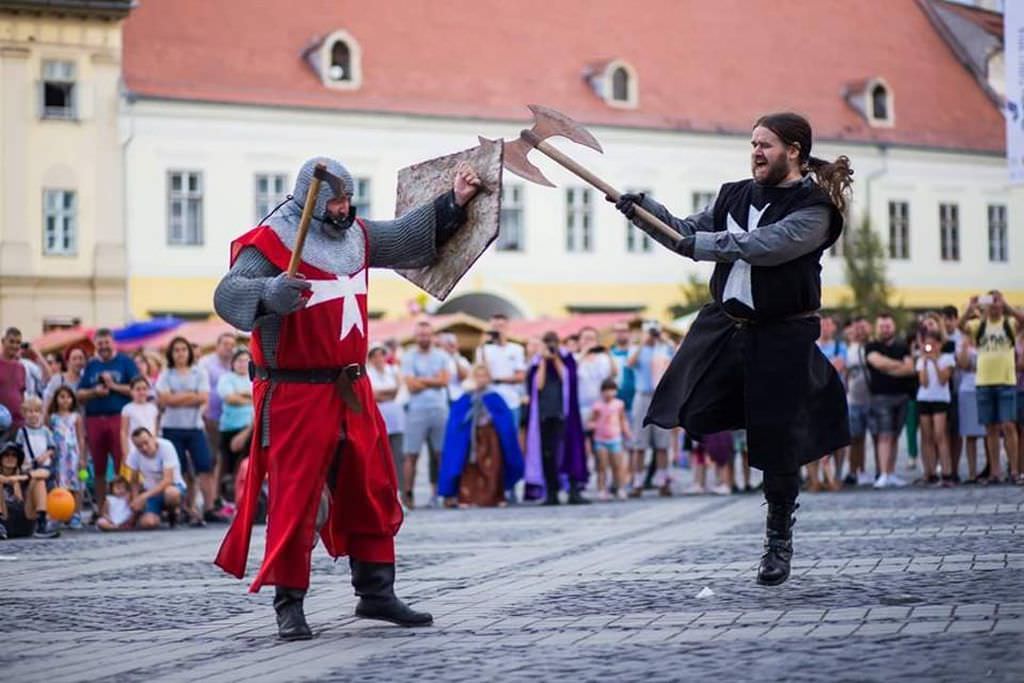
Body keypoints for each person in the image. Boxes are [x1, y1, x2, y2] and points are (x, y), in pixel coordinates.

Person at [213, 156, 480, 639]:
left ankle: (376, 591)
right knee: (296, 500)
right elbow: (228, 294)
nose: (344, 208)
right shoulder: (273, 241)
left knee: (372, 485)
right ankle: (288, 603)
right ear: (310, 202)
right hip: (295, 391)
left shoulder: (356, 233)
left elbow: (404, 236)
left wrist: (454, 201)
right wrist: (271, 291)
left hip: (351, 388)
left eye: (348, 198)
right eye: (335, 200)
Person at [610, 111, 851, 586]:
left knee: (776, 443)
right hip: (726, 325)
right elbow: (683, 231)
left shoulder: (815, 209)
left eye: (766, 145)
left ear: (794, 151)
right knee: (689, 402)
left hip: (782, 333)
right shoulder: (733, 194)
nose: (756, 152)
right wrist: (644, 212)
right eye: (753, 143)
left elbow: (764, 244)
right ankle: (743, 420)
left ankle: (778, 538)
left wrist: (694, 243)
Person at [438, 364, 524, 507]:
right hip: (471, 439)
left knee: (493, 466)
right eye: (478, 376)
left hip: (491, 437)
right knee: (470, 467)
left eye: (484, 376)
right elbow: (457, 421)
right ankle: (467, 497)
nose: (481, 379)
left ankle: (495, 497)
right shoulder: (466, 397)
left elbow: (504, 421)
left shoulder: (494, 397)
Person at [960, 292, 1022, 484]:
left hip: (1006, 380)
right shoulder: (979, 325)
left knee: (1009, 425)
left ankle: (1015, 471)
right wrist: (970, 308)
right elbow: (960, 327)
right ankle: (995, 472)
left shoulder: (1009, 324)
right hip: (984, 381)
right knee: (990, 428)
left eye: (997, 302)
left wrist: (1007, 304)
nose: (994, 305)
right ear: (985, 306)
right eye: (991, 302)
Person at [524, 331, 588, 505]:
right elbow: (538, 385)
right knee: (548, 454)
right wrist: (545, 360)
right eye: (547, 342)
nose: (551, 345)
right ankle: (551, 491)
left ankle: (574, 490)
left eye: (553, 342)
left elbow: (567, 378)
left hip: (565, 414)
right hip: (545, 414)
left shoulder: (567, 360)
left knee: (570, 451)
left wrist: (556, 359)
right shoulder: (537, 363)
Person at [77, 328, 137, 515]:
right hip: (95, 419)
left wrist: (113, 386)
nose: (103, 347)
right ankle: (102, 508)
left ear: (113, 343)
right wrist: (95, 392)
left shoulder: (125, 362)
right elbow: (79, 394)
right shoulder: (92, 365)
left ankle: (124, 507)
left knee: (122, 464)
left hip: (118, 418)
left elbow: (137, 388)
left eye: (106, 343)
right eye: (100, 343)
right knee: (99, 467)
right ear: (96, 345)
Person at [156, 336, 214, 525]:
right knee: (179, 471)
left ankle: (209, 508)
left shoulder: (199, 372)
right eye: (176, 350)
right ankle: (184, 508)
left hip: (194, 427)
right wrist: (191, 395)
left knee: (205, 466)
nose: (180, 353)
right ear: (171, 354)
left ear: (189, 351)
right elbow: (165, 400)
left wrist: (177, 397)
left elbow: (203, 397)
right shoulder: (166, 374)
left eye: (183, 349)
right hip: (172, 427)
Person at [400, 320, 450, 509]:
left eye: (427, 334)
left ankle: (443, 493)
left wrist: (422, 380)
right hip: (416, 410)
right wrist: (433, 380)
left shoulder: (442, 355)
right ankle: (408, 496)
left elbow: (445, 381)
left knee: (441, 453)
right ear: (416, 336)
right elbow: (411, 385)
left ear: (433, 336)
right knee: (410, 454)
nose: (424, 338)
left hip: (439, 408)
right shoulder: (408, 356)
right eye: (421, 335)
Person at [865, 313, 916, 489]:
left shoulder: (903, 346)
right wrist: (898, 365)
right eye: (882, 326)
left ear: (893, 327)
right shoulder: (871, 346)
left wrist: (889, 367)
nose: (885, 329)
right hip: (880, 398)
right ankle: (883, 475)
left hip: (902, 396)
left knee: (895, 436)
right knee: (884, 436)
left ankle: (892, 473)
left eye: (888, 326)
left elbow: (910, 369)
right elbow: (877, 363)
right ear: (876, 328)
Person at [626, 321, 674, 497]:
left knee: (663, 443)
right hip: (643, 396)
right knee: (639, 443)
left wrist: (664, 340)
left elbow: (678, 358)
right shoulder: (637, 349)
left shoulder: (664, 348)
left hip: (661, 397)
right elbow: (630, 364)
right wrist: (642, 343)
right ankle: (637, 482)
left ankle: (662, 481)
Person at [808, 315, 846, 491]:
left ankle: (836, 476)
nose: (824, 327)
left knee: (838, 439)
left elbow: (837, 367)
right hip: (813, 399)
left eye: (828, 324)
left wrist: (819, 369)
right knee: (812, 439)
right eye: (822, 323)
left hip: (834, 398)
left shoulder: (841, 347)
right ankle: (814, 479)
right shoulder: (810, 346)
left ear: (834, 328)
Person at [915, 328, 955, 486]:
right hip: (924, 398)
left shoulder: (947, 359)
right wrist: (925, 362)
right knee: (926, 437)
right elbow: (923, 382)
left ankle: (946, 473)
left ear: (939, 344)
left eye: (933, 344)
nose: (930, 347)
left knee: (940, 435)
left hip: (940, 399)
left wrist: (935, 361)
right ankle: (929, 472)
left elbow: (943, 379)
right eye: (927, 344)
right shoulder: (921, 360)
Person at [200, 332, 237, 502]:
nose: (229, 348)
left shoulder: (236, 363)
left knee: (227, 461)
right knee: (214, 458)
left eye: (232, 344)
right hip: (212, 418)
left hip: (232, 420)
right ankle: (212, 498)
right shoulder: (206, 363)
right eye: (226, 344)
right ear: (218, 346)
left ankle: (223, 497)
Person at [126, 428, 187, 530]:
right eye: (139, 446)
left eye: (146, 443)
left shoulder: (166, 446)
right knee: (148, 523)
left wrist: (143, 497)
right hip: (151, 493)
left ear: (153, 438)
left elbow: (168, 480)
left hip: (173, 487)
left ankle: (174, 513)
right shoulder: (134, 454)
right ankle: (153, 516)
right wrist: (135, 498)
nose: (144, 448)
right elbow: (134, 480)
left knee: (171, 493)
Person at [216, 348, 254, 504]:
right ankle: (224, 500)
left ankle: (245, 497)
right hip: (230, 428)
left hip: (251, 428)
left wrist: (242, 395)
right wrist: (250, 398)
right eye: (239, 361)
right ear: (233, 363)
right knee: (227, 466)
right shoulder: (226, 378)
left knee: (246, 465)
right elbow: (230, 398)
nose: (242, 364)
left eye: (246, 361)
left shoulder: (254, 378)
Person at [474, 314, 527, 425]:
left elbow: (521, 377)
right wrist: (483, 345)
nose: (497, 330)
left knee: (510, 439)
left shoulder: (516, 349)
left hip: (511, 401)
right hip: (489, 401)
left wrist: (497, 380)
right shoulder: (483, 349)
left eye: (501, 326)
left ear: (507, 327)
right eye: (494, 327)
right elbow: (481, 374)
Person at [47, 386, 87, 528]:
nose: (65, 400)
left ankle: (75, 514)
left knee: (74, 485)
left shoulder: (75, 417)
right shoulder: (52, 418)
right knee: (58, 485)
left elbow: (81, 438)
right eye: (61, 397)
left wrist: (82, 457)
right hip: (58, 456)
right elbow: (49, 435)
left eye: (68, 397)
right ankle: (58, 513)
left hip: (72, 456)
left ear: (72, 399)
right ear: (56, 399)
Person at [367, 343, 405, 493]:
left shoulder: (393, 370)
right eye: (375, 356)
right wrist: (389, 392)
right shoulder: (369, 373)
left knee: (397, 456)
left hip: (395, 418)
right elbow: (373, 395)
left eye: (381, 355)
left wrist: (384, 394)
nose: (379, 358)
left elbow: (399, 391)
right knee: (380, 457)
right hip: (378, 418)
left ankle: (400, 491)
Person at [0, 441, 57, 539]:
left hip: (26, 519)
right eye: (6, 455)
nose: (10, 458)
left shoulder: (24, 474)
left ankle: (42, 525)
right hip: (4, 521)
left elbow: (46, 473)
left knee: (39, 481)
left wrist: (20, 478)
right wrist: (8, 480)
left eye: (14, 455)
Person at [587, 378, 632, 501]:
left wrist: (627, 432)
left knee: (618, 466)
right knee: (602, 466)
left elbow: (623, 420)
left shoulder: (619, 404)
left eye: (612, 390)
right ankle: (602, 489)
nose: (609, 393)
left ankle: (620, 488)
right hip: (600, 439)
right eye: (606, 390)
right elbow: (591, 421)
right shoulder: (597, 406)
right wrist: (592, 425)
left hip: (615, 438)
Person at [844, 317, 874, 486]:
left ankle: (862, 470)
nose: (859, 332)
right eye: (856, 329)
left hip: (869, 398)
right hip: (853, 400)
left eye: (862, 329)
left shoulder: (868, 348)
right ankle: (852, 470)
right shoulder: (848, 350)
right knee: (855, 438)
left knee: (864, 439)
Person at [121, 376, 160, 471]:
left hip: (150, 447)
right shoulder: (127, 409)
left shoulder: (153, 408)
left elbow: (154, 430)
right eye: (138, 389)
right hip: (133, 448)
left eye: (144, 389)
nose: (141, 392)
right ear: (131, 391)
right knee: (134, 477)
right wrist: (126, 453)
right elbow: (124, 432)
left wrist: (154, 446)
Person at [43, 346, 87, 413]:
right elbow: (47, 405)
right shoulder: (57, 380)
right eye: (74, 359)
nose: (78, 362)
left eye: (81, 358)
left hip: (82, 421)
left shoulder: (86, 380)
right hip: (60, 422)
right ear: (67, 362)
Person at [0, 328, 28, 434]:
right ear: (3, 341)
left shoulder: (21, 367)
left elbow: (21, 395)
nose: (15, 346)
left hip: (17, 424)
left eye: (18, 343)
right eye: (11, 341)